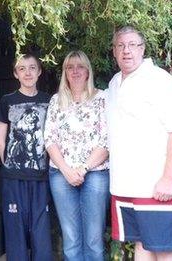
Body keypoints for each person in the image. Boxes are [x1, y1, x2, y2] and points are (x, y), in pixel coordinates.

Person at [106, 26, 172, 261]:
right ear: (114, 51)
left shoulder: (160, 81)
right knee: (142, 245)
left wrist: (168, 178)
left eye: (133, 45)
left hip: (155, 186)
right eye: (121, 45)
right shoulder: (114, 83)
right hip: (125, 185)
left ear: (142, 49)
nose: (126, 51)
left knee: (164, 250)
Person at [44, 50, 109, 260]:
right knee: (71, 238)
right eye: (70, 67)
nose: (75, 71)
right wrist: (66, 170)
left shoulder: (102, 98)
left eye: (80, 66)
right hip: (60, 174)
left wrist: (82, 169)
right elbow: (49, 139)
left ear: (88, 71)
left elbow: (107, 141)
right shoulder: (56, 101)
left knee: (93, 238)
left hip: (95, 173)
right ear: (64, 72)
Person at [0, 53, 52, 261]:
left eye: (32, 68)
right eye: (22, 68)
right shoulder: (7, 101)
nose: (27, 72)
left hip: (41, 177)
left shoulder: (49, 101)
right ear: (15, 74)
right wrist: (9, 164)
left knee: (41, 231)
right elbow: (1, 139)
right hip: (14, 177)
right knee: (15, 229)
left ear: (39, 72)